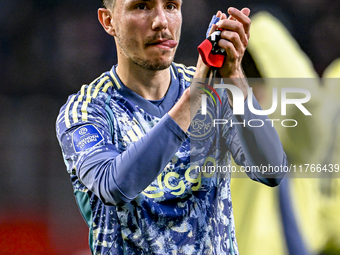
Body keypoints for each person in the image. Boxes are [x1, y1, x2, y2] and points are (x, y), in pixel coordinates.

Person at [56, 0, 287, 254]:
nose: (161, 22)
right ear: (108, 20)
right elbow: (114, 186)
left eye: (170, 6)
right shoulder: (87, 109)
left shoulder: (216, 93)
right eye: (141, 7)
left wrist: (234, 75)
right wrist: (193, 98)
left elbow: (272, 171)